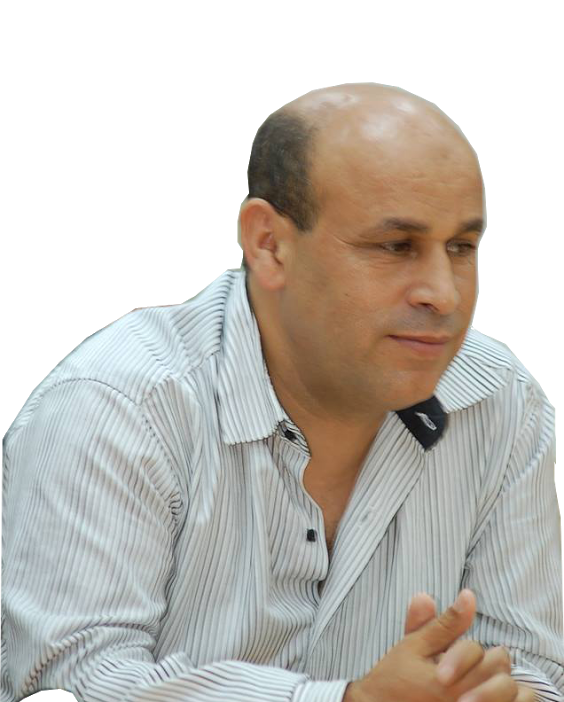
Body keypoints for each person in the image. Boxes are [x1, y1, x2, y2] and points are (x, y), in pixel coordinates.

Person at [0, 83, 560, 701]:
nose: (444, 294)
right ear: (268, 244)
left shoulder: (503, 403)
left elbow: (532, 672)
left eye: (460, 248)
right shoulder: (118, 404)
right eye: (396, 246)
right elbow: (70, 683)